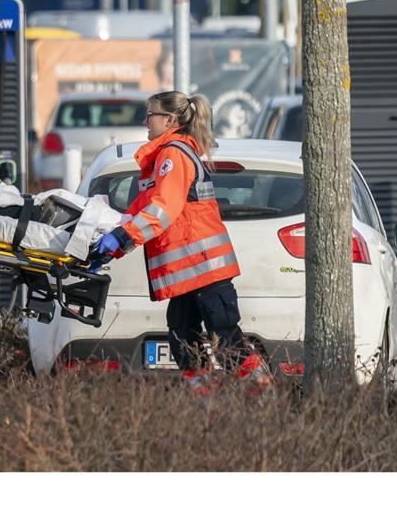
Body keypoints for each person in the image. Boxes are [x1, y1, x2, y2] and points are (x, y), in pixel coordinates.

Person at [93, 90, 272, 393]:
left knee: (225, 340)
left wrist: (122, 237)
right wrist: (117, 243)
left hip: (202, 269)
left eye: (150, 114)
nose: (145, 121)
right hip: (191, 273)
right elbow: (142, 209)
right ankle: (205, 400)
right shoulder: (165, 157)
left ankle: (261, 397)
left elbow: (163, 209)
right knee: (183, 339)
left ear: (170, 119)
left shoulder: (173, 156)